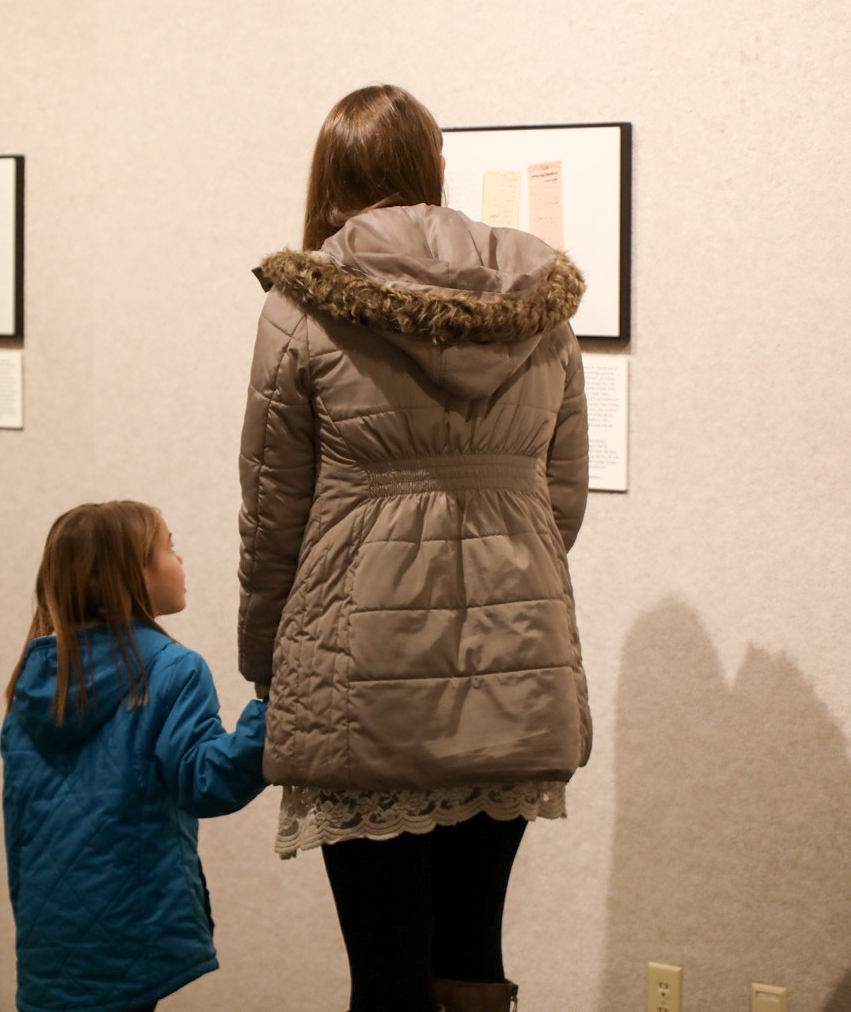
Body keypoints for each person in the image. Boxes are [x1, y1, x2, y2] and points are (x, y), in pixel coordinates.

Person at [238, 85, 591, 1012]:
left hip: (364, 668)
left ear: (330, 179)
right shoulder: (541, 299)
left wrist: (264, 657)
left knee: (386, 975)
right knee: (471, 955)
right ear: (435, 168)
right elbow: (562, 501)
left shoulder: (302, 304)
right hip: (519, 660)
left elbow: (275, 512)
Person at [3, 502, 268, 1012]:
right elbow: (206, 782)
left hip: (49, 931)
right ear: (132, 575)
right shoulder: (173, 669)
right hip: (132, 926)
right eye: (168, 546)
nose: (180, 558)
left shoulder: (34, 682)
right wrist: (272, 714)